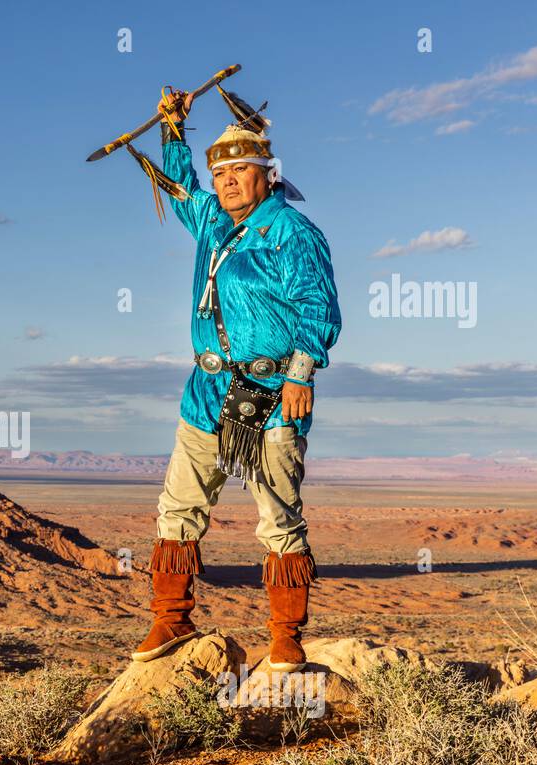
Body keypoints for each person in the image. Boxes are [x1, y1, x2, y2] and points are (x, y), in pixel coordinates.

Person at [133, 89, 341, 672]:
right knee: (177, 508)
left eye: (238, 171)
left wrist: (302, 371)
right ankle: (171, 618)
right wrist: (174, 129)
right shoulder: (213, 224)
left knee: (278, 515)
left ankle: (285, 636)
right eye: (219, 172)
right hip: (205, 393)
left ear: (266, 176)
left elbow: (317, 305)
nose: (225, 182)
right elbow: (180, 192)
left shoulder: (292, 233)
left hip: (272, 394)